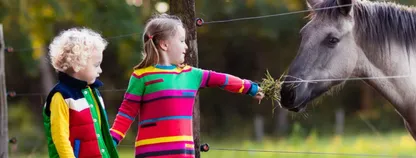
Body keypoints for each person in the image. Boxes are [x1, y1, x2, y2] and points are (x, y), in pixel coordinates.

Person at [110, 13, 264, 158]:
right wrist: (111, 141)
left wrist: (250, 88)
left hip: (182, 153)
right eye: (182, 41)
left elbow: (222, 79)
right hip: (150, 152)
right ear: (164, 44)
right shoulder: (141, 76)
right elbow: (126, 113)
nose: (186, 47)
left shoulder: (192, 74)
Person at [42, 28, 119, 158]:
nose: (100, 70)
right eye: (96, 65)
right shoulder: (61, 96)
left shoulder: (93, 92)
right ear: (78, 64)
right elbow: (60, 137)